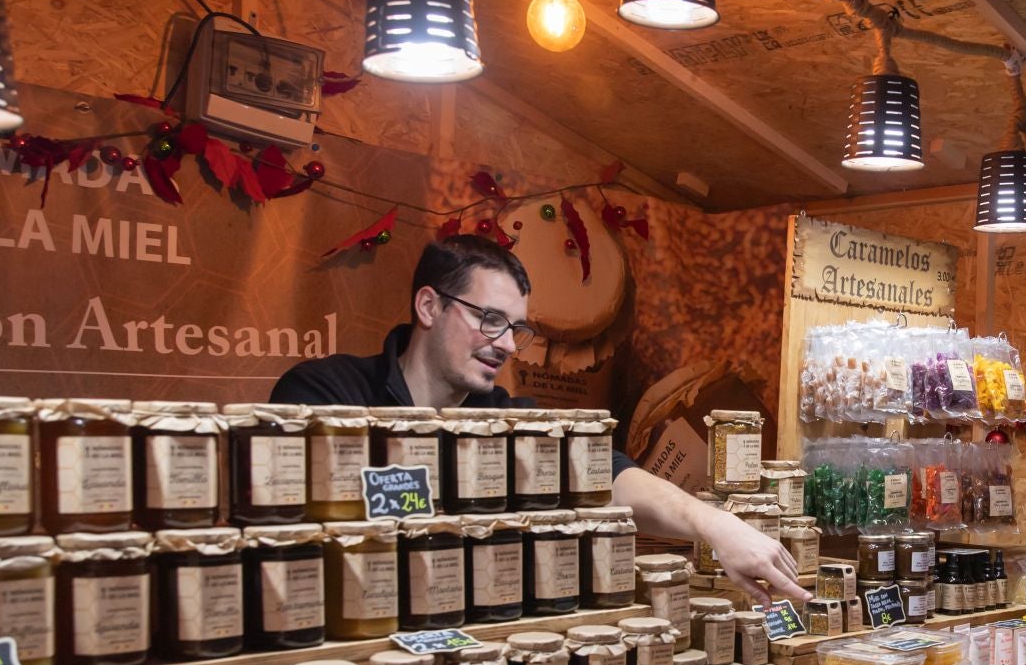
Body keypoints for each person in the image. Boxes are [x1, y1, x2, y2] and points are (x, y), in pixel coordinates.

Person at [273, 235, 806, 607]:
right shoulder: (325, 392)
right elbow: (317, 514)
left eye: (516, 329)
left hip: (469, 633)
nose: (506, 344)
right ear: (429, 306)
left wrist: (718, 526)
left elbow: (609, 475)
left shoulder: (509, 423)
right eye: (490, 320)